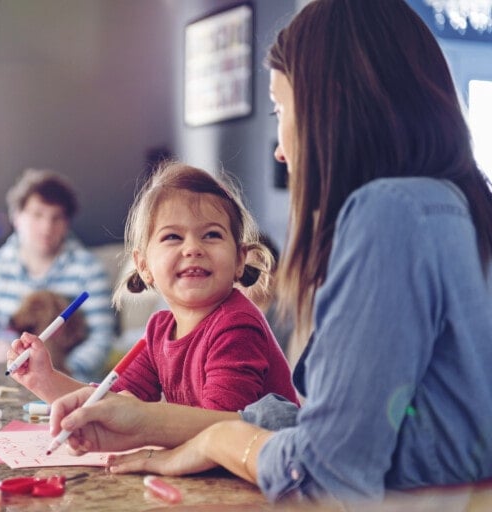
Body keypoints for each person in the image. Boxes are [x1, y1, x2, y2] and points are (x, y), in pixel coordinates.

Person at [47, 0, 492, 504]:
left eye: (280, 110)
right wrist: (153, 422)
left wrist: (223, 439)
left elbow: (328, 467)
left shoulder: (389, 213)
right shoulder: (460, 207)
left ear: (333, 104)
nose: (280, 149)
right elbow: (368, 428)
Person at [6, 162, 298, 412]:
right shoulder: (159, 329)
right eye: (173, 237)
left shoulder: (238, 325)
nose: (192, 248)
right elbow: (113, 405)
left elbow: (223, 426)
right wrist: (45, 379)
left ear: (239, 259)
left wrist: (152, 438)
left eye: (211, 234)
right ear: (144, 267)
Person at [0, 168, 115, 382]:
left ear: (67, 223)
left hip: (70, 382)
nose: (47, 227)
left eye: (57, 218)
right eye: (37, 215)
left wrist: (60, 375)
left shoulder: (89, 269)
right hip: (5, 380)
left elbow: (102, 339)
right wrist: (3, 353)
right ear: (17, 217)